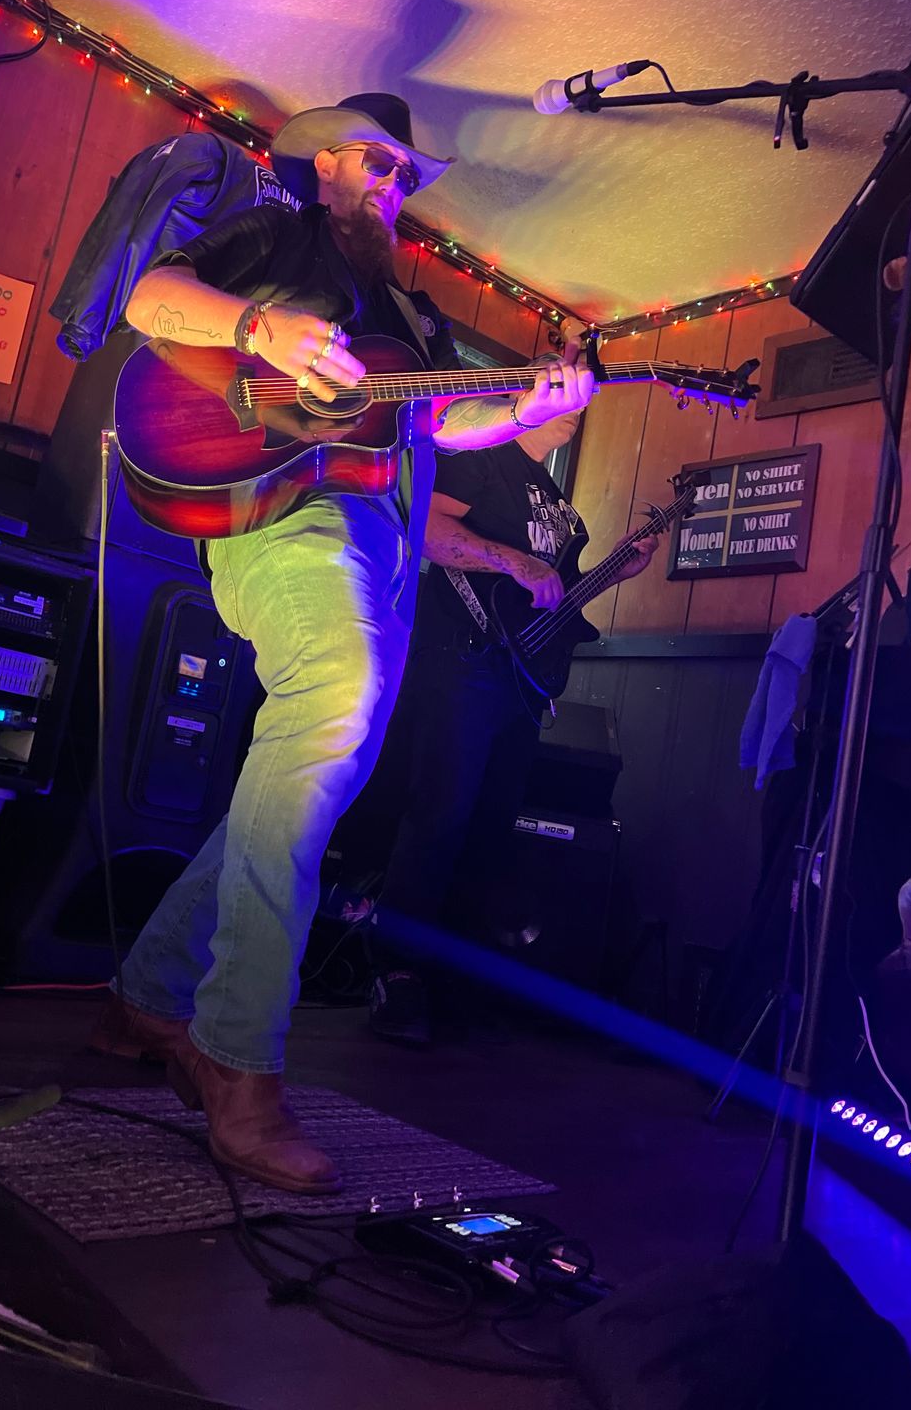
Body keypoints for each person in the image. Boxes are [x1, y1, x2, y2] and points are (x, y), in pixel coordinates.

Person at [91, 93, 595, 1193]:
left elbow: (438, 418)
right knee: (334, 703)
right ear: (321, 164)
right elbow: (150, 298)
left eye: (406, 175)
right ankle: (235, 1054)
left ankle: (148, 993)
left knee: (320, 769)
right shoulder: (277, 235)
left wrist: (528, 409)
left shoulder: (411, 313)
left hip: (387, 544)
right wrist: (260, 328)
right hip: (285, 510)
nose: (392, 186)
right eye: (375, 162)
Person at [365, 380, 659, 1045]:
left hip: (521, 683)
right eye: (567, 396)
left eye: (584, 403)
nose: (577, 411)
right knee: (440, 816)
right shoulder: (483, 457)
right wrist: (512, 559)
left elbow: (558, 597)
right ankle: (396, 972)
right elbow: (429, 531)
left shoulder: (565, 513)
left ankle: (453, 975)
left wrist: (616, 570)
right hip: (461, 659)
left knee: (492, 827)